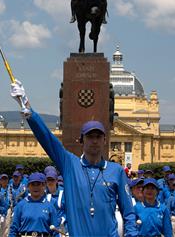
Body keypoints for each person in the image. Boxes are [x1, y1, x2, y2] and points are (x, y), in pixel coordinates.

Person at [10, 80, 137, 237]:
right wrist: (28, 108)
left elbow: (128, 212)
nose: (95, 141)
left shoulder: (116, 171)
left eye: (99, 136)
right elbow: (47, 139)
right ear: (82, 140)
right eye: (90, 136)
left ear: (105, 140)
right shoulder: (70, 164)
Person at [8, 172, 59, 237]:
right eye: (32, 184)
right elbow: (13, 229)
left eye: (38, 184)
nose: (35, 187)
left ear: (44, 186)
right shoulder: (20, 205)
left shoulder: (50, 206)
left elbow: (55, 232)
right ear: (28, 186)